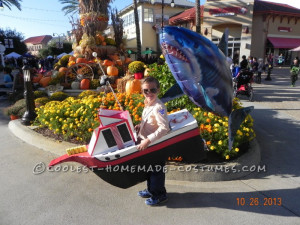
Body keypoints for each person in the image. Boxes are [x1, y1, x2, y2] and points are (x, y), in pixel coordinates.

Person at [135, 76, 170, 206]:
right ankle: (151, 190)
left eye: (152, 90)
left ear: (158, 90)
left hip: (155, 145)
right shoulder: (148, 103)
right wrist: (140, 126)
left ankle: (160, 195)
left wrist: (147, 140)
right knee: (149, 169)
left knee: (156, 171)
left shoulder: (158, 107)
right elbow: (149, 121)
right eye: (146, 91)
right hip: (148, 144)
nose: (149, 93)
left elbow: (164, 128)